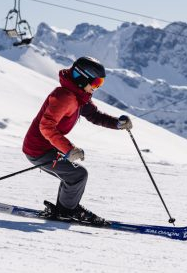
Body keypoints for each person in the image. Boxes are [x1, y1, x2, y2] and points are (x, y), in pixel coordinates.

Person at [22, 56, 132, 224]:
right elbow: (46, 127)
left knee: (73, 175)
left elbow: (94, 115)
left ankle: (65, 208)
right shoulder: (65, 98)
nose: (97, 87)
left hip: (48, 146)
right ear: (82, 78)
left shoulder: (79, 96)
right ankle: (66, 211)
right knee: (78, 175)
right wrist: (69, 149)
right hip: (38, 150)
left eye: (100, 83)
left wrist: (117, 124)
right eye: (95, 83)